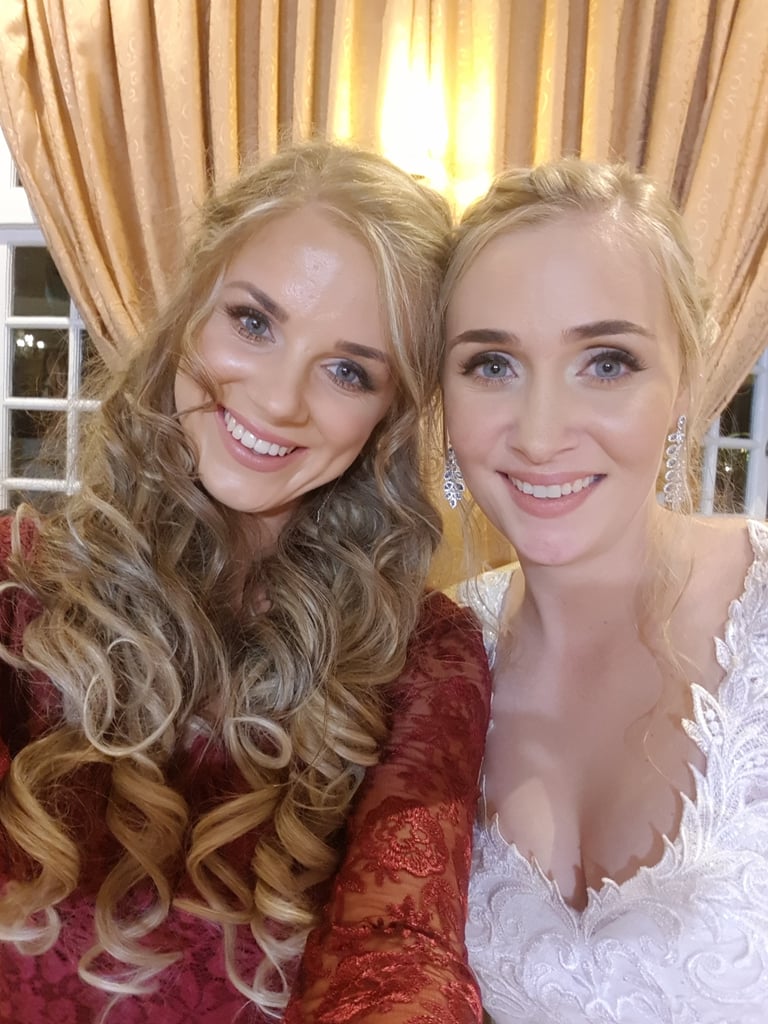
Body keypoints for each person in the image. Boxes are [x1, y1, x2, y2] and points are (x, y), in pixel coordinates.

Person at [0, 140, 491, 1024]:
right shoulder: (13, 588)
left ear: (391, 414)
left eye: (348, 371)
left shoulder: (424, 659)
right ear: (191, 309)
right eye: (254, 323)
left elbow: (400, 950)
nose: (278, 399)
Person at [439, 158, 768, 1023]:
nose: (541, 433)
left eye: (607, 361)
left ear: (684, 383)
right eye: (492, 365)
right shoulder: (432, 661)